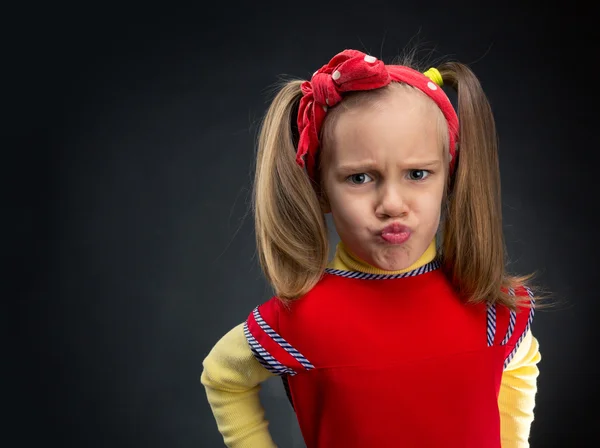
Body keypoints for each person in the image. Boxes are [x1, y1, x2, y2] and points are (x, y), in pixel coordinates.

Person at [200, 48, 545, 447]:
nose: (392, 204)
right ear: (320, 190)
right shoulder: (302, 320)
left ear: (449, 178)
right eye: (361, 178)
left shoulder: (489, 308)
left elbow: (521, 363)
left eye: (418, 174)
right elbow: (222, 377)